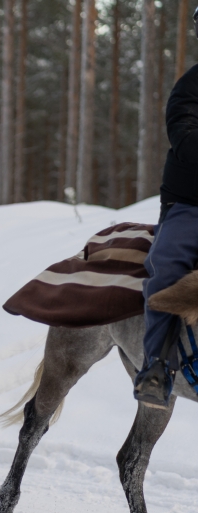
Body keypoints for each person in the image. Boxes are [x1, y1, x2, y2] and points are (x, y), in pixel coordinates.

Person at [134, 7, 198, 407]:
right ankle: (156, 367)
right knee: (168, 266)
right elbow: (185, 136)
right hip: (191, 204)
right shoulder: (192, 86)